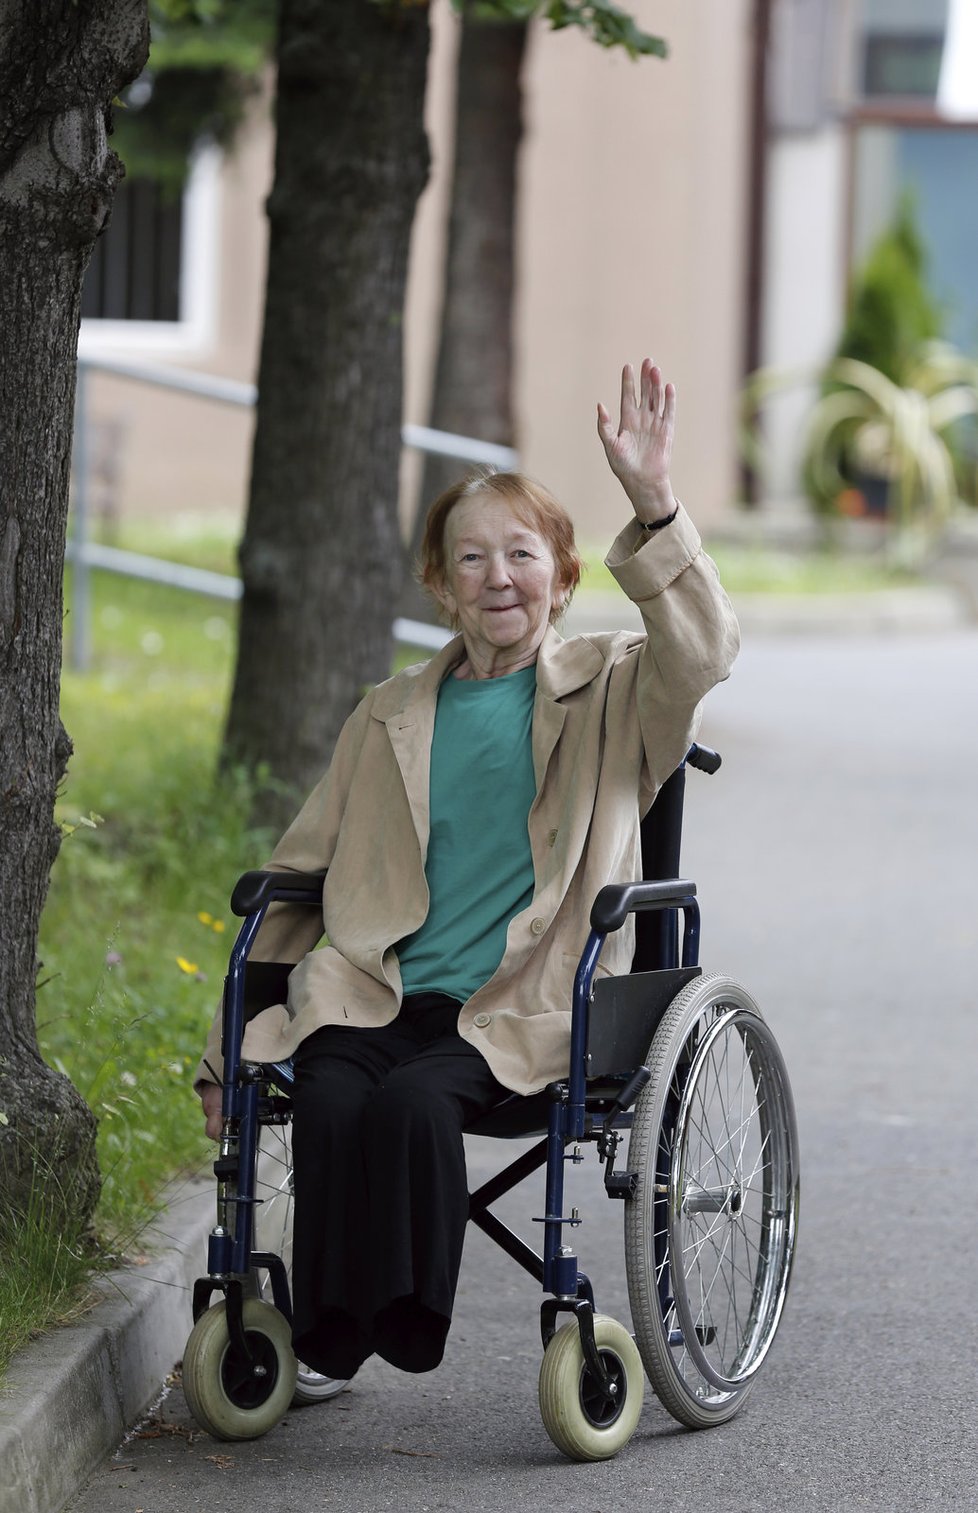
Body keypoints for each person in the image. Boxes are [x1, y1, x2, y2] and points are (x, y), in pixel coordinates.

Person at [194, 358, 740, 1382]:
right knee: (332, 1092)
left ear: (564, 576)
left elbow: (706, 653)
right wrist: (224, 1055)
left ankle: (399, 1317)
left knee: (411, 1107)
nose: (500, 577)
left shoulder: (618, 689)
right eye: (473, 559)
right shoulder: (388, 711)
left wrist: (655, 502)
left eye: (522, 555)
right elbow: (296, 870)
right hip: (375, 988)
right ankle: (325, 1335)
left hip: (520, 1001)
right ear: (440, 584)